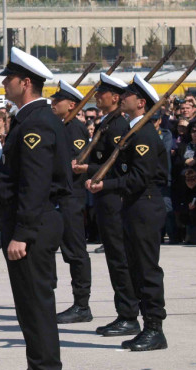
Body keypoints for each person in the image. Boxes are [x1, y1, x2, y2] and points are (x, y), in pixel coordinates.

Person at [0, 47, 70, 370]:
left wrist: (21, 233)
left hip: (33, 228)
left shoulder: (35, 123)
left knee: (36, 309)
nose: (4, 83)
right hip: (33, 223)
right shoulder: (31, 120)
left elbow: (36, 184)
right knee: (32, 309)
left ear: (26, 83)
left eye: (9, 78)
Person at [86, 74, 168, 352]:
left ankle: (155, 328)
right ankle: (145, 325)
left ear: (141, 102)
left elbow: (138, 178)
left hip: (145, 204)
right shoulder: (134, 130)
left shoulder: (143, 133)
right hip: (134, 206)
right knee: (135, 267)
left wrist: (104, 184)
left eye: (129, 95)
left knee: (147, 269)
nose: (124, 98)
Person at [73, 72, 141, 338]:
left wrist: (87, 168)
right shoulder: (107, 123)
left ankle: (128, 315)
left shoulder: (117, 127)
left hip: (114, 200)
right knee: (114, 258)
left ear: (115, 97)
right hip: (103, 199)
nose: (97, 95)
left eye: (102, 92)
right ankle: (123, 312)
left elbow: (119, 169)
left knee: (119, 258)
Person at [49, 80, 93, 324]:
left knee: (75, 252)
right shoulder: (60, 125)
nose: (53, 103)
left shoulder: (74, 128)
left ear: (72, 104)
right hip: (59, 196)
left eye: (58, 100)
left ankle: (82, 304)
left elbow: (76, 164)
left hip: (71, 197)